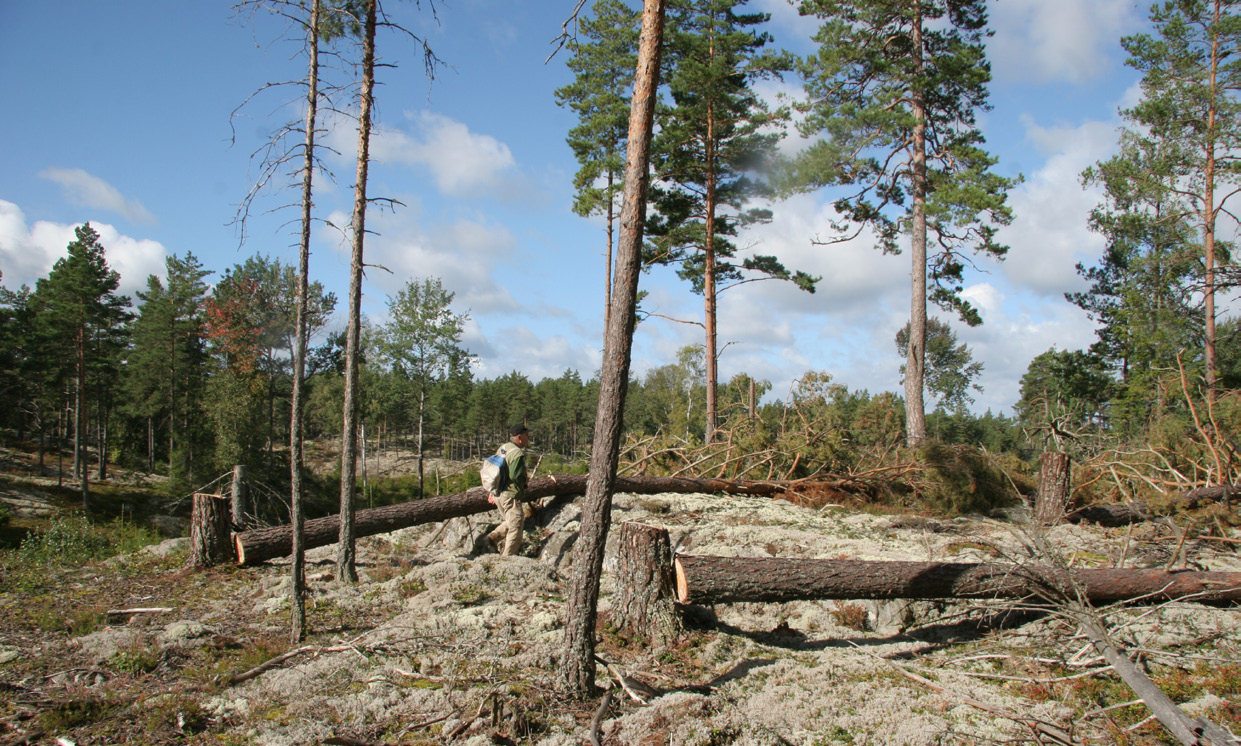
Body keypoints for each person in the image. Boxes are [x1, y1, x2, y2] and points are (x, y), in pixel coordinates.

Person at [486, 424, 530, 556]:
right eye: (527, 436)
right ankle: (508, 560)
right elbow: (515, 476)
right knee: (516, 528)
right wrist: (524, 482)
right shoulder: (517, 453)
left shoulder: (503, 448)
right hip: (510, 494)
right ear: (519, 437)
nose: (529, 439)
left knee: (511, 521)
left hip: (498, 494)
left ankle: (492, 538)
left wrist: (492, 491)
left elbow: (495, 471)